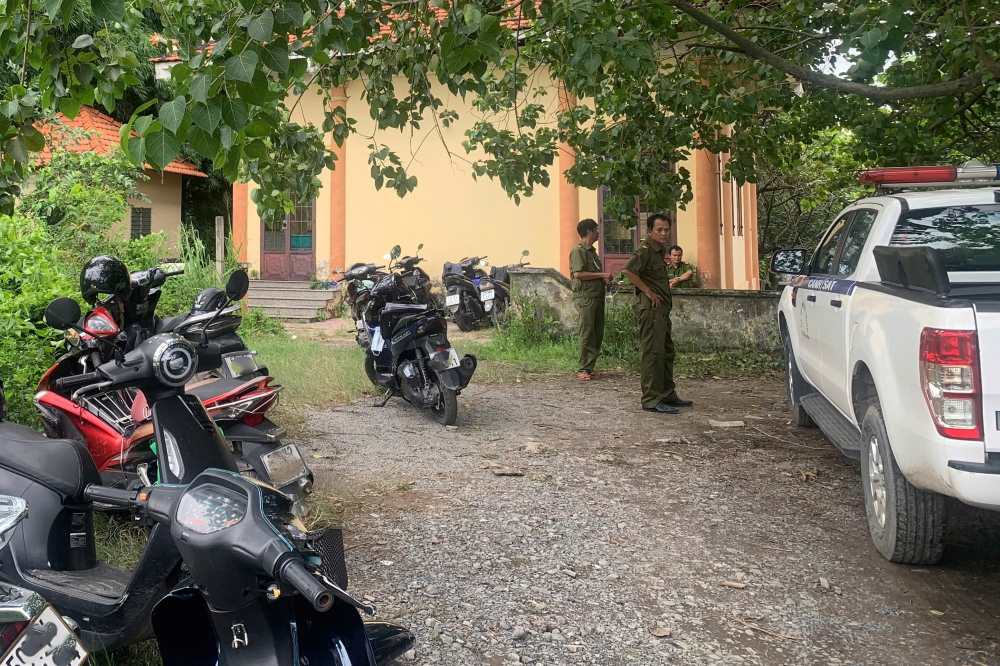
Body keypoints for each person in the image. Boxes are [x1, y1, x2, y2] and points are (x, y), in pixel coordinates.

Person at [622, 214, 693, 414]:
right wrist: (648, 291)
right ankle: (651, 400)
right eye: (659, 230)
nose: (663, 233)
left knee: (666, 351)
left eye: (666, 230)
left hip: (661, 311)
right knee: (653, 354)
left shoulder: (659, 251)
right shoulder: (645, 250)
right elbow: (628, 271)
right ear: (650, 231)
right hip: (651, 310)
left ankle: (667, 394)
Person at [569, 218, 609, 381]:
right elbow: (578, 274)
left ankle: (590, 367)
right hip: (586, 298)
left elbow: (593, 274)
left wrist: (603, 279)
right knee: (587, 332)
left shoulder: (592, 252)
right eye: (596, 230)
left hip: (597, 296)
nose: (598, 233)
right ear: (588, 232)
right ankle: (583, 368)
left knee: (597, 332)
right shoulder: (578, 251)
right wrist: (602, 274)